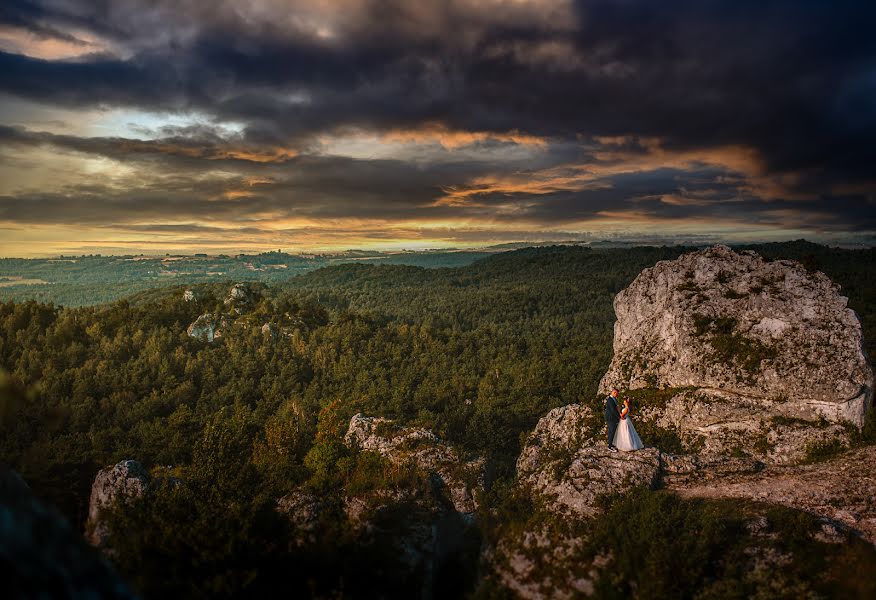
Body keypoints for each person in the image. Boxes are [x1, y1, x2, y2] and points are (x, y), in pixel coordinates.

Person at [604, 387, 621, 452]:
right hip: (611, 418)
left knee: (613, 431)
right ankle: (610, 446)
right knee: (611, 431)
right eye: (616, 393)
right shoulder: (610, 400)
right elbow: (613, 410)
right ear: (614, 392)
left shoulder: (613, 399)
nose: (617, 395)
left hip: (613, 418)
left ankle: (611, 444)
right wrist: (619, 417)